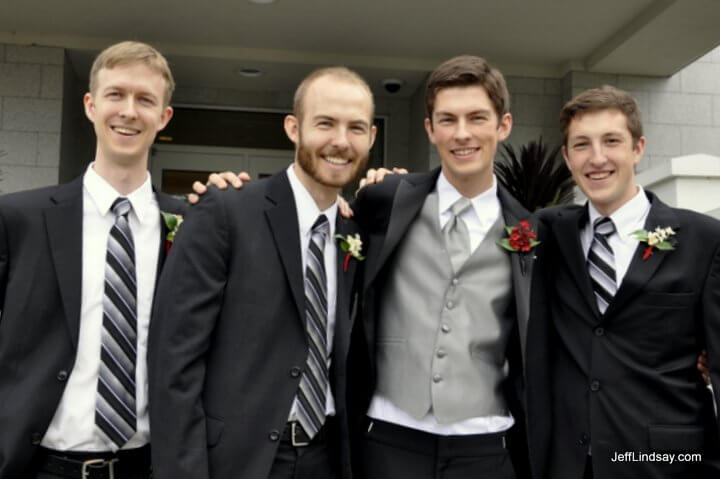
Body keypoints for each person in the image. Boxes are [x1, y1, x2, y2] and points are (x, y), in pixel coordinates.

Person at [148, 67, 376, 479]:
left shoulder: (354, 229)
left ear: (371, 138)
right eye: (325, 123)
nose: (341, 141)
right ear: (293, 128)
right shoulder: (227, 210)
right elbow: (174, 361)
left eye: (356, 128)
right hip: (237, 459)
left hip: (326, 457)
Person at [0, 41, 185, 478]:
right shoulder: (19, 217)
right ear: (90, 104)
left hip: (148, 466)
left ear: (164, 116)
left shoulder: (191, 225)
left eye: (145, 100)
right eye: (116, 94)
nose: (129, 111)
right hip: (40, 467)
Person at [346, 55, 532, 479]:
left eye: (476, 118)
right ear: (430, 129)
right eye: (447, 119)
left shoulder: (532, 231)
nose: (462, 133)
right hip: (388, 437)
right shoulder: (384, 200)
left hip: (486, 445)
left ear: (503, 125)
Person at [526, 85, 720, 479]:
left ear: (637, 148)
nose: (596, 158)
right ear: (566, 157)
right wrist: (392, 188)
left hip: (667, 464)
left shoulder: (705, 240)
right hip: (569, 463)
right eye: (581, 145)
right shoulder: (548, 233)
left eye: (611, 141)